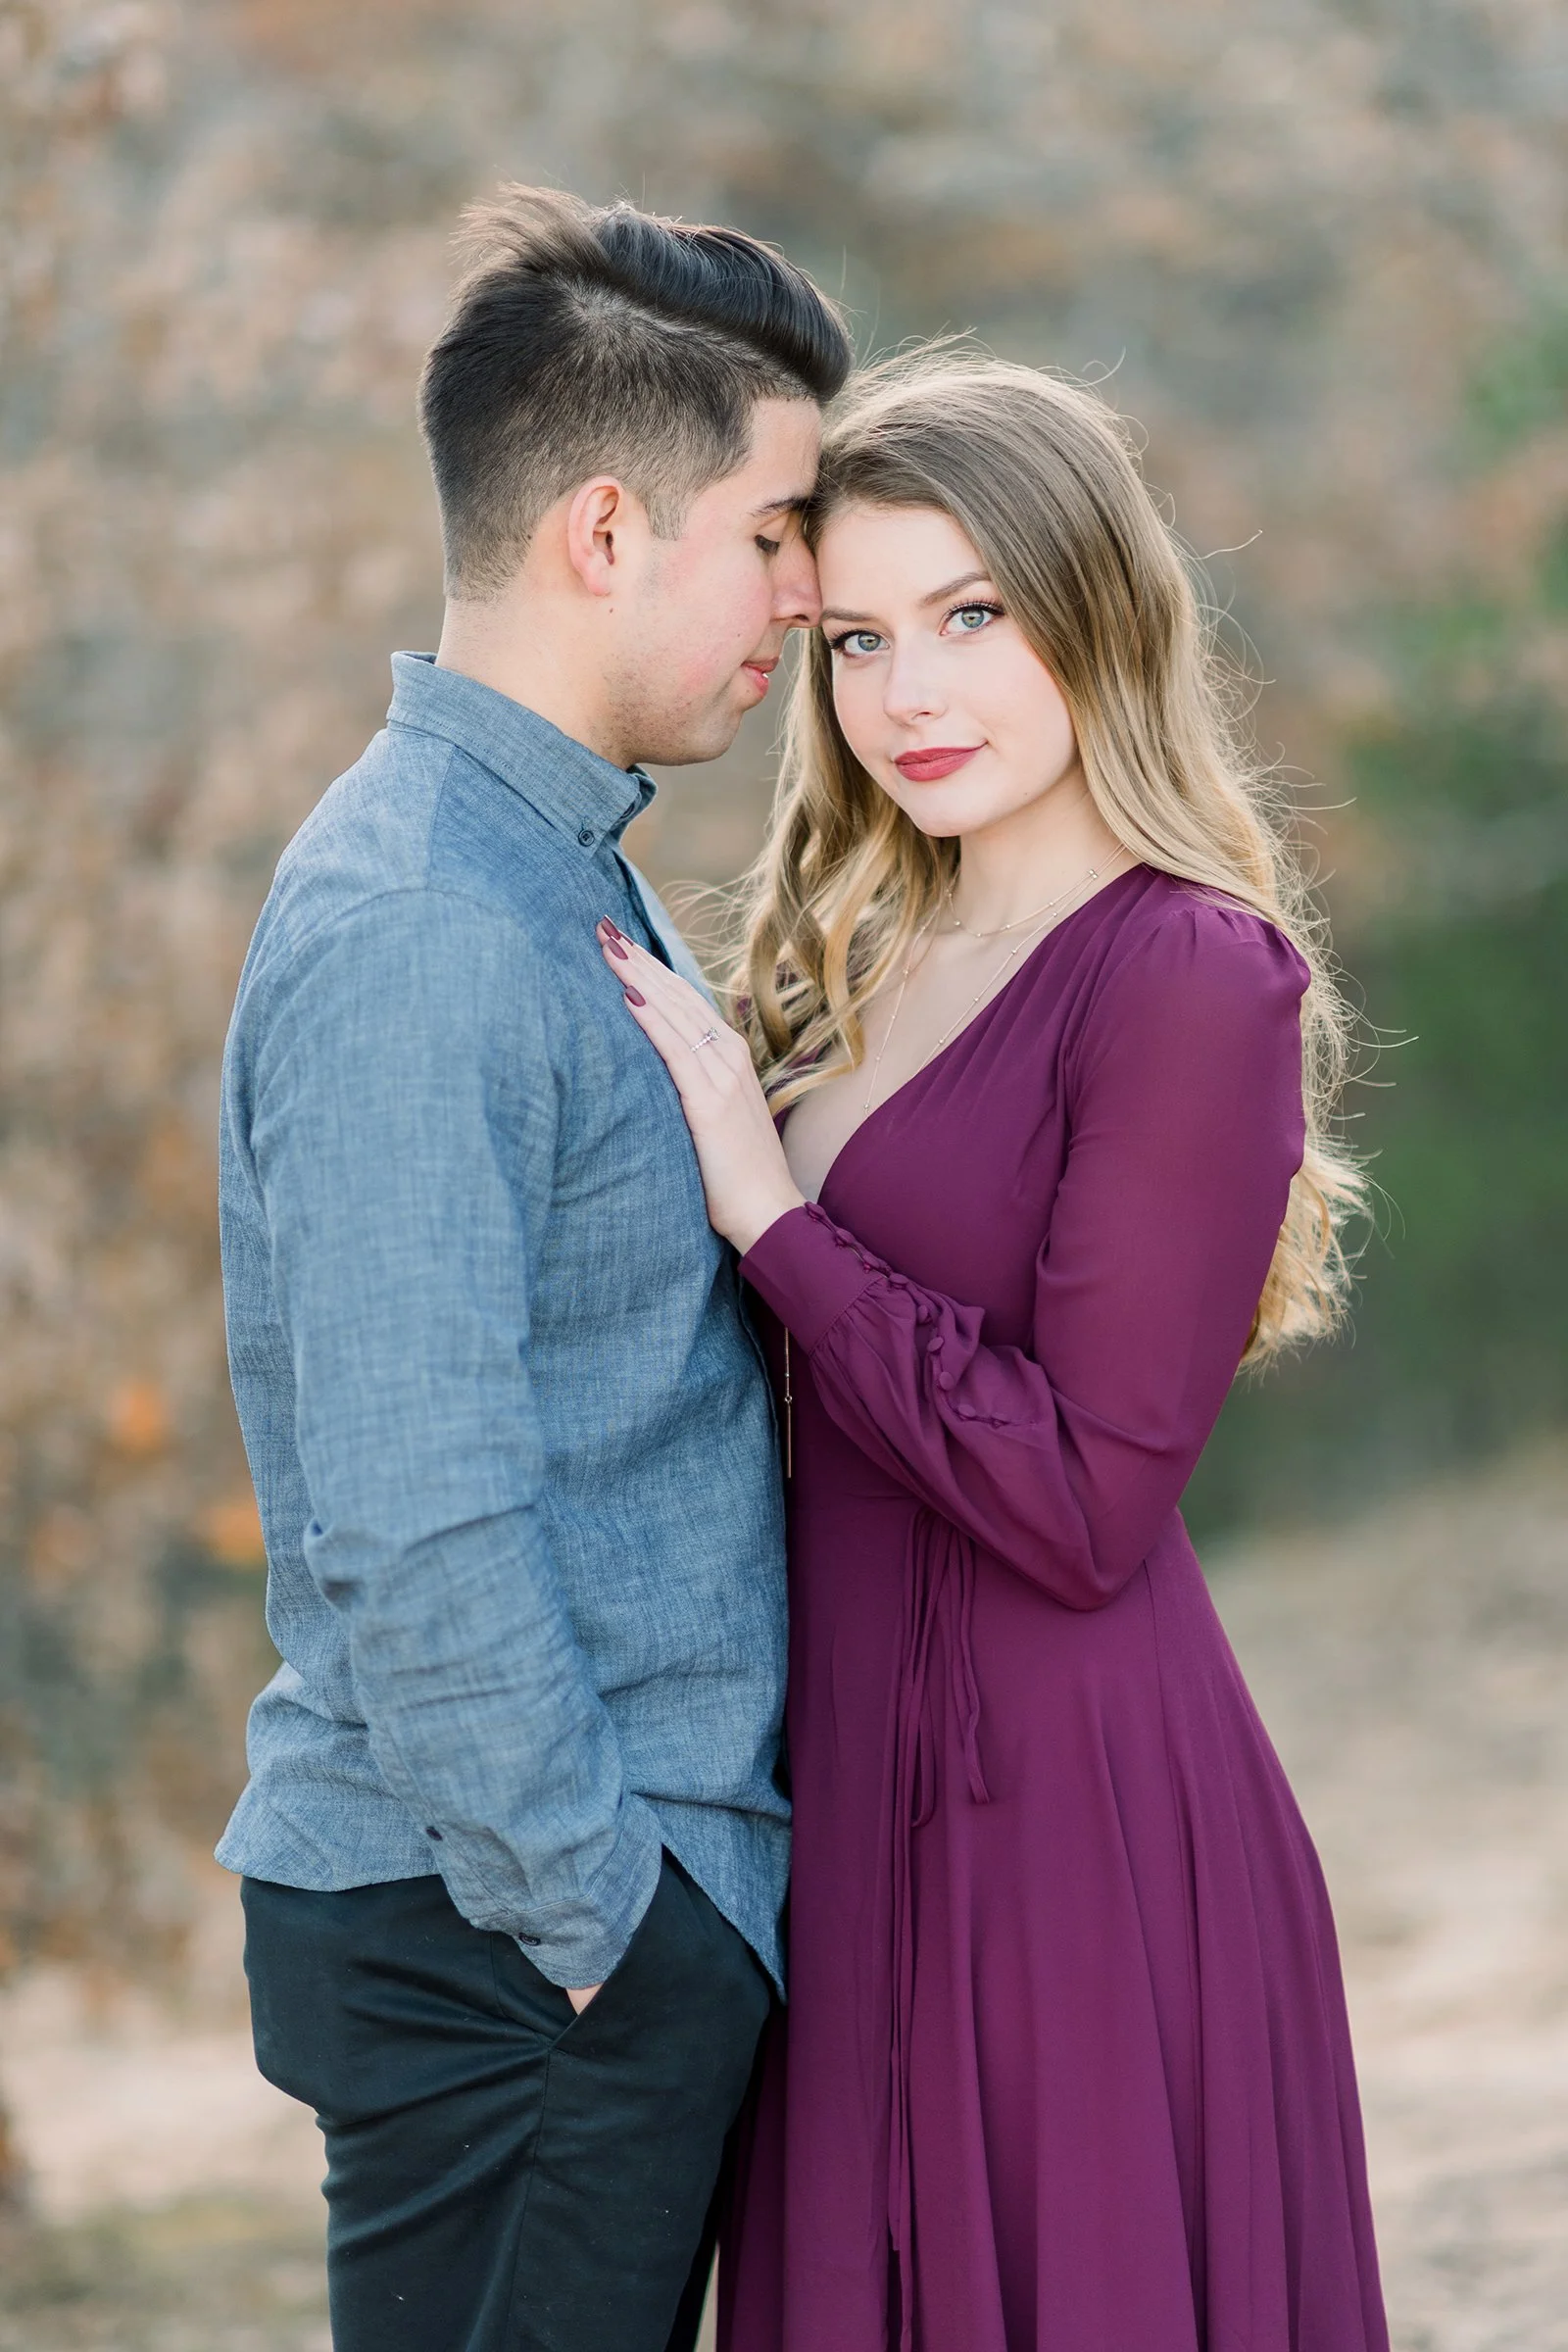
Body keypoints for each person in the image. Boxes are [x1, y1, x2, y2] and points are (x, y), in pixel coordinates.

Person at [599, 354, 1391, 2351]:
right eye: (855, 638)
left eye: (969, 617)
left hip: (1068, 1822)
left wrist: (763, 1217)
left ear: (1094, 612)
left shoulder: (1190, 972)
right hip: (849, 1787)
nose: (905, 695)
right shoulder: (850, 951)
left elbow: (1082, 1492)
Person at [215, 184, 852, 2352]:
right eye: (773, 533)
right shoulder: (422, 921)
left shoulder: (554, 872)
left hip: (553, 1923)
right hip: (512, 1934)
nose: (803, 596)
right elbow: (413, 1502)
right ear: (605, 527)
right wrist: (608, 1923)